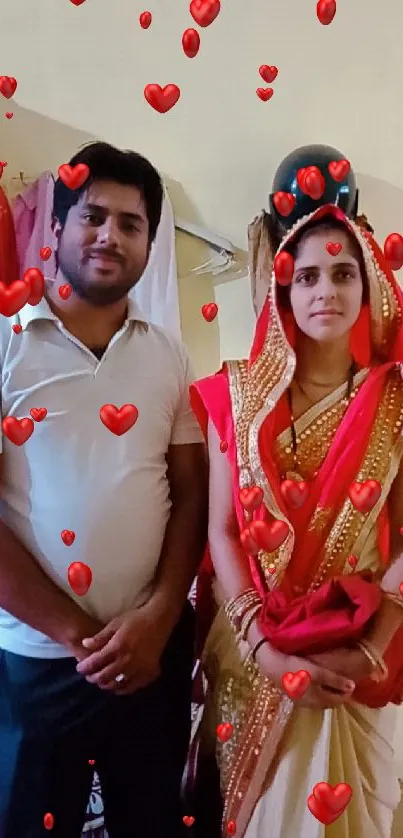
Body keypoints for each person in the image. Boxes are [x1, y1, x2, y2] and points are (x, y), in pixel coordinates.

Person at [0, 142, 208, 838]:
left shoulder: (166, 354)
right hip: (39, 660)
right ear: (54, 229)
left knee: (150, 821)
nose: (109, 237)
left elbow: (189, 493)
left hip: (151, 658)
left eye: (131, 223)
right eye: (92, 217)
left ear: (150, 242)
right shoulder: (6, 344)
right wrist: (80, 637)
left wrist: (156, 618)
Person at [190, 204, 403, 838]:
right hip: (257, 648)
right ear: (283, 288)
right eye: (306, 276)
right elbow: (222, 530)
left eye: (343, 273)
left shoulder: (395, 402)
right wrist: (265, 647)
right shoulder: (235, 396)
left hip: (361, 644)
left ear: (370, 288)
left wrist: (369, 646)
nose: (325, 291)